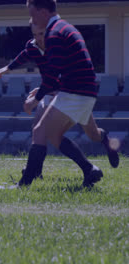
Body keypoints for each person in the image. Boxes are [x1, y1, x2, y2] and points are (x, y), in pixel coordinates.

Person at [0, 22, 119, 179]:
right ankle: (36, 172)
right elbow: (26, 54)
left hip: (71, 93)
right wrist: (8, 68)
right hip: (54, 93)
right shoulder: (33, 45)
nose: (39, 39)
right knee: (39, 128)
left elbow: (59, 78)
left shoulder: (58, 47)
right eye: (35, 35)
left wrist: (38, 95)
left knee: (92, 134)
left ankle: (103, 145)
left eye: (42, 34)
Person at [19, 0, 118, 188]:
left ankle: (24, 184)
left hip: (74, 91)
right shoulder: (65, 27)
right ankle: (91, 168)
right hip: (84, 91)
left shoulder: (54, 33)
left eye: (32, 15)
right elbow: (62, 70)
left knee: (40, 130)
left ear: (42, 13)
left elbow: (51, 73)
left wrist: (34, 100)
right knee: (66, 135)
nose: (31, 20)